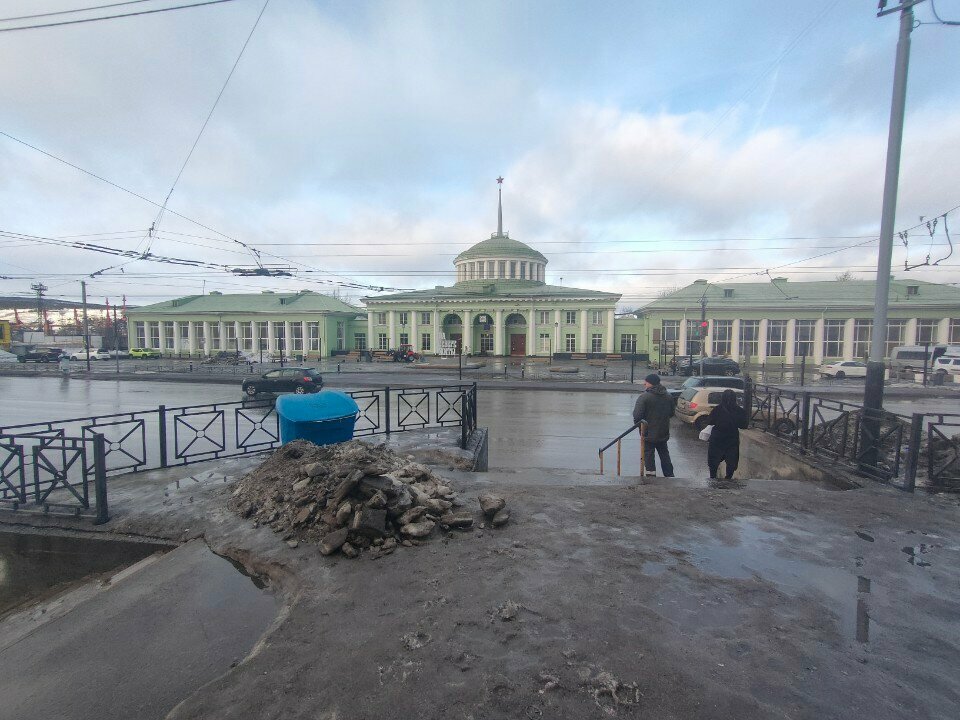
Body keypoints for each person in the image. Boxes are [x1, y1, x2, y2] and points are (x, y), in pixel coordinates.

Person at [632, 373, 675, 477]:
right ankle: (669, 475)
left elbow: (637, 416)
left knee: (649, 456)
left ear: (650, 383)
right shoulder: (668, 396)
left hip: (648, 433)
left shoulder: (644, 397)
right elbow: (672, 413)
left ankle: (651, 477)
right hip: (663, 432)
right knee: (664, 454)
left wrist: (640, 427)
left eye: (646, 382)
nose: (644, 384)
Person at [706, 389, 750, 480]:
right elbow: (744, 425)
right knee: (731, 461)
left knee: (714, 461)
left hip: (717, 439)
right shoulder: (739, 411)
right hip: (731, 438)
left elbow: (710, 421)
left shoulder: (717, 409)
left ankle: (712, 478)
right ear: (735, 399)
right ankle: (728, 479)